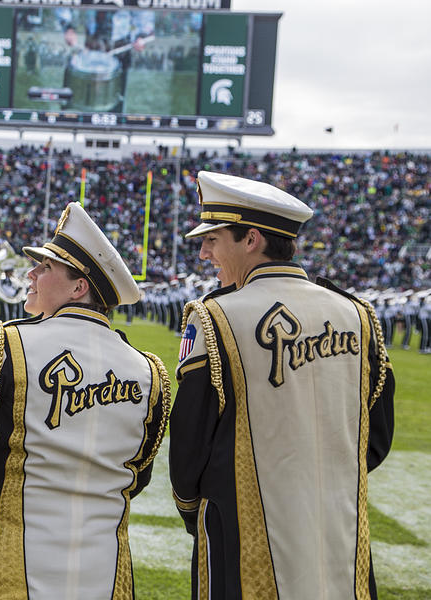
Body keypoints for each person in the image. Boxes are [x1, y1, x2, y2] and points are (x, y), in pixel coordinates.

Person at [169, 171, 395, 599]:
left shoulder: (215, 317)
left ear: (251, 240)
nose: (203, 253)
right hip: (336, 522)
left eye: (212, 240)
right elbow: (377, 437)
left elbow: (188, 446)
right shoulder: (357, 314)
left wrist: (195, 510)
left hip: (242, 530)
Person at [0, 202, 171, 599]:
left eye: (45, 267)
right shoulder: (149, 371)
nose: (31, 273)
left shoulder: (11, 344)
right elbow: (137, 476)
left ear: (79, 287)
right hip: (105, 569)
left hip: (12, 563)